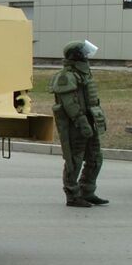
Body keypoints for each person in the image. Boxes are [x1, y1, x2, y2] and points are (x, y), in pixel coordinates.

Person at [49, 40, 108, 207]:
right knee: (74, 160)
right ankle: (72, 194)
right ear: (77, 56)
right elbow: (70, 105)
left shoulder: (83, 74)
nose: (88, 56)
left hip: (89, 121)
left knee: (95, 158)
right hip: (76, 125)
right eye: (85, 53)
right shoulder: (66, 76)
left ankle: (87, 191)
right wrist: (82, 123)